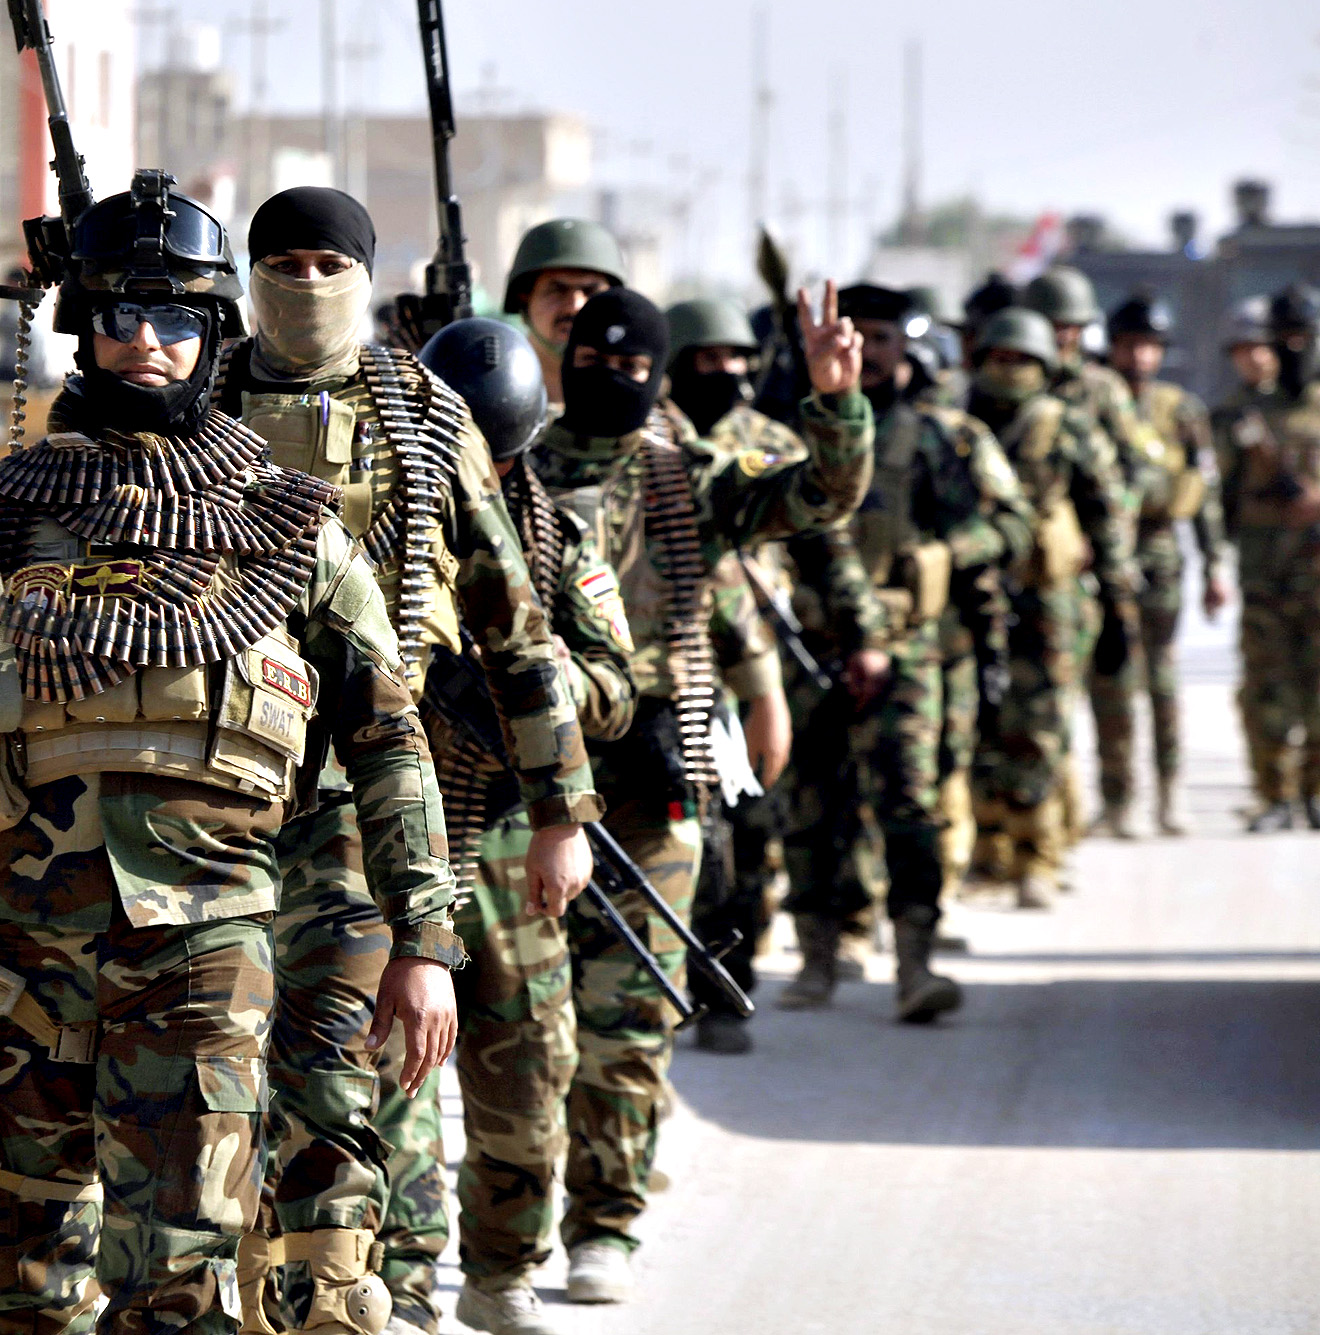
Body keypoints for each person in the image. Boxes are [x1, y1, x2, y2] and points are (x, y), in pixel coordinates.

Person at [0, 170, 462, 1335]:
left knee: (175, 1286)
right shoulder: (0, 507)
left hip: (200, 955)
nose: (145, 341)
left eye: (175, 317)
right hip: (18, 948)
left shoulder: (286, 523)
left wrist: (422, 943)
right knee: (23, 1283)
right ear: (82, 326)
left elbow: (388, 740)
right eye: (120, 313)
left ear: (212, 332)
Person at [208, 187, 597, 1335]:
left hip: (359, 787)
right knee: (202, 1070)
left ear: (363, 274)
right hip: (205, 788)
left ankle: (349, 1292)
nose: (305, 282)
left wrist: (559, 810)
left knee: (338, 1062)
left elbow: (513, 625)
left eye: (327, 262)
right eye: (282, 261)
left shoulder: (424, 416)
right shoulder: (198, 398)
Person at [530, 281, 871, 1302]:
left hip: (652, 772)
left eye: (634, 367)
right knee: (521, 1020)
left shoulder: (691, 475)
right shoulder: (515, 462)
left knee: (628, 1015)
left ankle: (605, 1222)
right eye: (596, 361)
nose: (613, 378)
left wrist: (835, 404)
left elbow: (819, 496)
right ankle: (502, 1230)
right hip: (526, 781)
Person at [376, 317, 640, 1335]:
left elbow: (618, 687)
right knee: (389, 1080)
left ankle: (500, 1270)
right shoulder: (383, 525)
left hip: (505, 843)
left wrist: (544, 682)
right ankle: (399, 1281)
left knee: (528, 1077)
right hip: (395, 838)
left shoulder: (557, 539)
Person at [776, 285, 1031, 1020]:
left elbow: (1012, 525)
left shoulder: (943, 439)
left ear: (904, 349)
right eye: (856, 335)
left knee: (910, 806)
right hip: (813, 648)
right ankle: (818, 956)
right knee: (811, 805)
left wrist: (942, 557)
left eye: (882, 337)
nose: (871, 352)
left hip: (911, 652)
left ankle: (915, 963)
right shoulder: (792, 438)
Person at [659, 296, 804, 1053]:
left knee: (745, 834)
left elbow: (817, 537)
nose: (726, 371)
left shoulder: (770, 442)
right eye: (708, 359)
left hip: (749, 662)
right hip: (673, 660)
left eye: (736, 358)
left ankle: (727, 984)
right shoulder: (651, 435)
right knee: (680, 831)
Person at [962, 309, 1132, 907]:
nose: (1008, 371)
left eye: (1022, 361)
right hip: (973, 599)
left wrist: (1115, 601)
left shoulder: (1065, 426)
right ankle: (988, 855)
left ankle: (1039, 857)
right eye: (998, 359)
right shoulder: (958, 427)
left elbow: (1107, 512)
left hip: (1049, 603)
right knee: (979, 731)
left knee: (1040, 731)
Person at [1022, 266, 1156, 839]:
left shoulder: (1102, 390)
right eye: (1052, 325)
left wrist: (1106, 529)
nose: (1061, 337)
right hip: (1034, 565)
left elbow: (1137, 467)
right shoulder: (1014, 381)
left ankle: (1121, 798)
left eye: (1070, 327)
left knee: (1115, 685)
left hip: (1100, 561)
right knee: (1042, 702)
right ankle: (1051, 819)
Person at [1102, 293, 1230, 834]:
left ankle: (1170, 790)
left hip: (1159, 553)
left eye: (1149, 346)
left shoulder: (1180, 410)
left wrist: (1214, 565)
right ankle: (1118, 797)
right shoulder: (1097, 402)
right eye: (1130, 345)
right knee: (1111, 678)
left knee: (1161, 676)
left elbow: (1203, 493)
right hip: (1104, 555)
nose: (1139, 357)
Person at [1215, 284, 1320, 830]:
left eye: (1303, 337)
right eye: (1284, 338)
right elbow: (1218, 495)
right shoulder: (1243, 413)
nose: (1293, 347)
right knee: (1266, 688)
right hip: (1265, 576)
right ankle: (1275, 794)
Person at [500, 219, 625, 410]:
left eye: (591, 292)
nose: (575, 306)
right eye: (557, 290)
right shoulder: (488, 395)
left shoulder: (636, 402)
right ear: (524, 299)